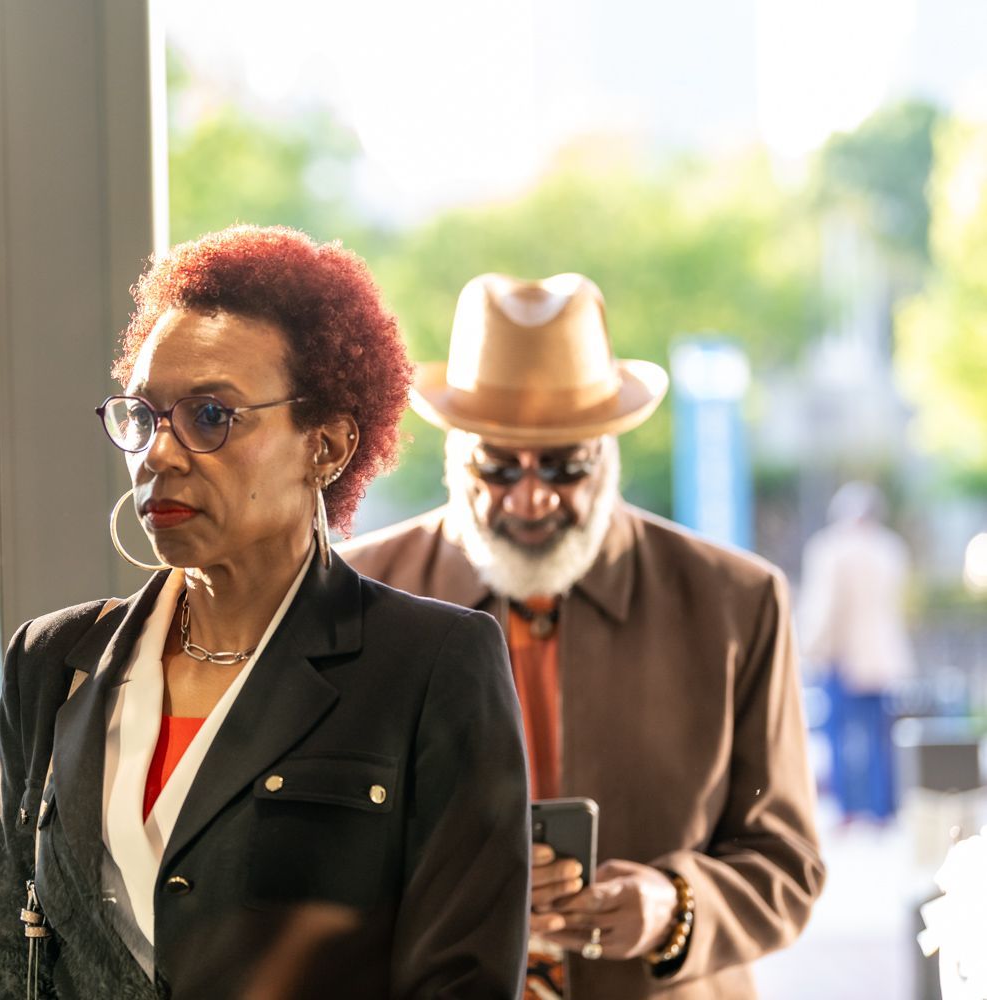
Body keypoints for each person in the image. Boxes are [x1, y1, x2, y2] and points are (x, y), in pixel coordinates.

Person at [0, 226, 530, 1000]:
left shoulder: (432, 665)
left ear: (327, 446)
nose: (158, 454)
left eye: (210, 415)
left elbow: (461, 982)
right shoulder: (52, 661)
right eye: (143, 416)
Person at [341, 273, 825, 1000]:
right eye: (497, 466)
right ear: (454, 453)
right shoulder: (356, 595)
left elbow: (787, 860)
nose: (531, 496)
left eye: (565, 465)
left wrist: (675, 906)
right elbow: (299, 853)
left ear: (609, 453)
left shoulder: (737, 602)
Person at [798, 480, 913, 823]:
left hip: (843, 656)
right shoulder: (891, 549)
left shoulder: (831, 549)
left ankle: (848, 809)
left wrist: (811, 647)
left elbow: (824, 608)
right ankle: (882, 808)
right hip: (885, 658)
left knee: (839, 737)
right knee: (880, 736)